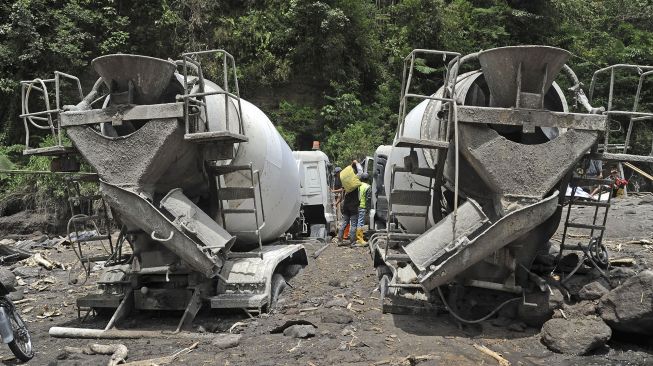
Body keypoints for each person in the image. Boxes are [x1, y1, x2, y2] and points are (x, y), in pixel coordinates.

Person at [336, 160, 364, 245]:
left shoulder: (344, 181)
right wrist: (356, 163)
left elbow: (347, 173)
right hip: (353, 205)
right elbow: (360, 172)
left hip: (346, 205)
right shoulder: (354, 180)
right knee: (354, 224)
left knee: (344, 223)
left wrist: (351, 165)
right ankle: (352, 242)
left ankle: (340, 241)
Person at [354, 173, 371, 246]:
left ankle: (355, 238)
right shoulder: (368, 187)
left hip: (355, 206)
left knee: (355, 222)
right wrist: (368, 208)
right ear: (367, 179)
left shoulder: (357, 185)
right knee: (360, 223)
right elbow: (368, 199)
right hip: (362, 207)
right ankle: (360, 240)